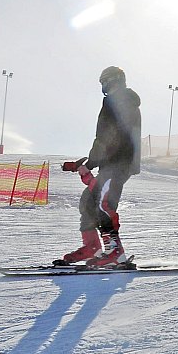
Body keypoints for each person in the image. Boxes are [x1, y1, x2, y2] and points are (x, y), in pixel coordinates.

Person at [55, 66, 142, 268]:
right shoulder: (114, 102)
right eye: (101, 82)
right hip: (110, 162)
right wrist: (90, 162)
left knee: (104, 203)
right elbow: (105, 137)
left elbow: (111, 135)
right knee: (88, 202)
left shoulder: (122, 101)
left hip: (119, 161)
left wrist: (92, 161)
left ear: (116, 80)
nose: (103, 86)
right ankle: (92, 247)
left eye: (106, 81)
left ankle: (114, 251)